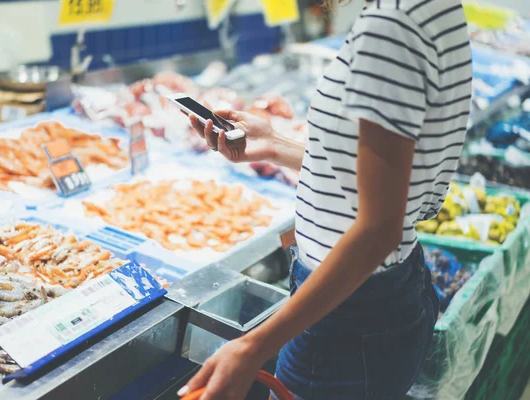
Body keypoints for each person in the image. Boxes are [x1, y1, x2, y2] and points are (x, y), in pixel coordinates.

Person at [178, 0, 472, 398]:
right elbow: (397, 184)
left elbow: (378, 230)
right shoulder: (429, 8)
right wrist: (277, 145)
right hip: (382, 300)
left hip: (346, 320)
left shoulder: (389, 27)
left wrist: (253, 346)